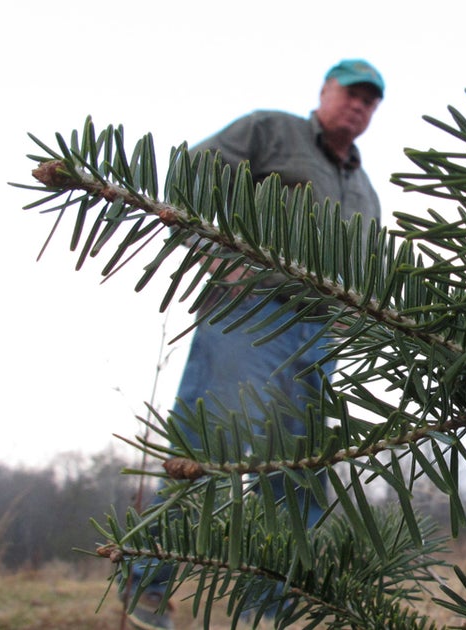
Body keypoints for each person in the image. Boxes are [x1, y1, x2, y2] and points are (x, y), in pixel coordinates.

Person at [123, 59, 385, 630]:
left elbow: (369, 267)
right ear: (325, 90)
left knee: (299, 465)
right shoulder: (271, 131)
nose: (360, 105)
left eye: (372, 100)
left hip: (316, 333)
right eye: (352, 92)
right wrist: (212, 252)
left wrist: (350, 323)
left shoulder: (365, 191)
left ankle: (272, 606)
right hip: (249, 310)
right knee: (208, 444)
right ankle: (147, 585)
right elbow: (191, 173)